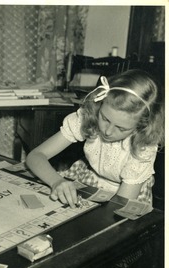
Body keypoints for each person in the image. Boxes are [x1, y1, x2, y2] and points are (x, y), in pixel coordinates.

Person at [26, 69, 164, 209]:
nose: (108, 131)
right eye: (104, 118)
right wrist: (56, 181)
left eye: (121, 128)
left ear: (141, 127)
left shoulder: (143, 146)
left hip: (126, 196)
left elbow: (119, 206)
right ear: (100, 104)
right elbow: (35, 156)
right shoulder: (89, 116)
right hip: (90, 179)